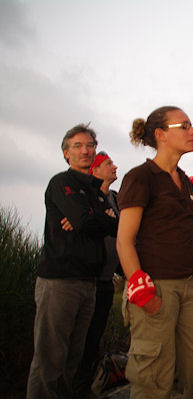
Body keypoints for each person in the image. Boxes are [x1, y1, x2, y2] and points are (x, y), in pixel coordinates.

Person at [116, 106, 193, 399]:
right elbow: (125, 239)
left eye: (192, 125)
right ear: (161, 135)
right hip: (155, 288)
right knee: (153, 381)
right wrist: (140, 288)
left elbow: (186, 233)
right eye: (184, 125)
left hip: (190, 288)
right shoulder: (141, 177)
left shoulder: (184, 181)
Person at [27, 124, 118, 399]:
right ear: (66, 153)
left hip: (89, 283)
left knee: (73, 359)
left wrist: (90, 218)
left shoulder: (96, 192)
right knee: (49, 360)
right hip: (59, 281)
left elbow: (114, 226)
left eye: (90, 145)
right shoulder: (61, 183)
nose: (85, 150)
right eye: (77, 146)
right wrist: (93, 218)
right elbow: (89, 221)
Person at [75, 151, 121, 392]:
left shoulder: (115, 198)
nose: (114, 167)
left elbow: (121, 231)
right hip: (88, 280)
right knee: (80, 340)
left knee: (94, 339)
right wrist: (108, 221)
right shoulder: (88, 198)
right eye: (108, 164)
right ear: (94, 170)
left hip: (107, 280)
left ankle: (87, 385)